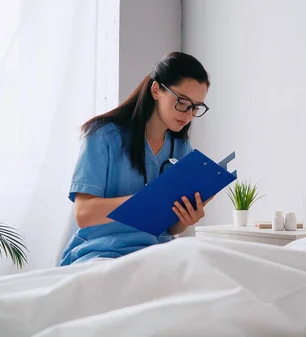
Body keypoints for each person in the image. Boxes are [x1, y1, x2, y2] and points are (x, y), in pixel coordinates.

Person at [59, 52, 212, 266]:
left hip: (157, 252)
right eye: (182, 102)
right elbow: (84, 213)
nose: (188, 114)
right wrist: (142, 201)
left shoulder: (181, 147)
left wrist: (185, 219)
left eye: (196, 107)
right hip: (102, 252)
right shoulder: (102, 136)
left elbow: (171, 228)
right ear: (156, 90)